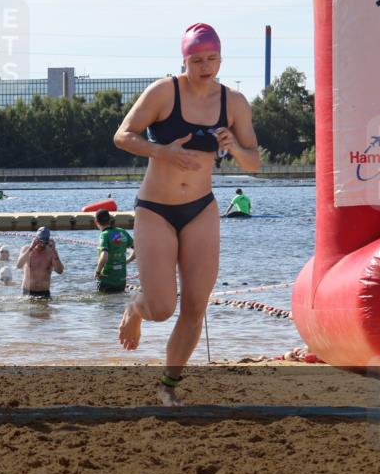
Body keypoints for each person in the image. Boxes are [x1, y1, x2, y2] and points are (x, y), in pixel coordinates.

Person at [113, 23, 260, 406]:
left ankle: (168, 384)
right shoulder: (164, 92)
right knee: (162, 308)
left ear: (221, 59)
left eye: (212, 59)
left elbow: (254, 162)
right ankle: (135, 308)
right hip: (156, 209)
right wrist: (161, 151)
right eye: (197, 60)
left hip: (200, 209)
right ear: (184, 60)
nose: (205, 66)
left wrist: (234, 148)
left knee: (195, 305)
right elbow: (123, 135)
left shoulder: (234, 103)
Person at [16, 227, 64, 299]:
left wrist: (54, 251)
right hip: (27, 292)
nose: (42, 244)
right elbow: (19, 265)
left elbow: (60, 271)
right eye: (40, 241)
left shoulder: (51, 252)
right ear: (36, 238)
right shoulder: (26, 249)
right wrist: (31, 248)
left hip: (44, 293)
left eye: (45, 242)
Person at [95, 210, 136, 293]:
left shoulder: (104, 235)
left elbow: (104, 255)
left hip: (107, 280)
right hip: (121, 280)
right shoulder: (122, 232)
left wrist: (98, 271)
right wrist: (126, 261)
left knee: (105, 303)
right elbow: (137, 249)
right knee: (119, 304)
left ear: (96, 222)